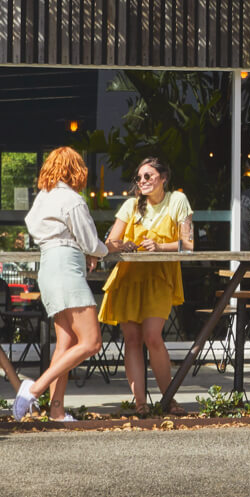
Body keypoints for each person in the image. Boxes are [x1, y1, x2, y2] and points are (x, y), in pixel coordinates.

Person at [11, 147, 110, 421]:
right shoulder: (72, 200)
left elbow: (46, 230)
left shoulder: (43, 198)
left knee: (66, 343)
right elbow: (90, 242)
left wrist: (86, 248)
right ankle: (34, 389)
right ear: (76, 170)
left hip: (48, 266)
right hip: (67, 267)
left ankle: (56, 411)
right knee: (91, 342)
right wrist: (102, 250)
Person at [99, 157, 192, 413]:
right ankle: (140, 403)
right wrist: (123, 244)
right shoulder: (131, 205)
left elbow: (188, 244)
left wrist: (160, 246)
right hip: (129, 277)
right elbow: (109, 244)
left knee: (152, 337)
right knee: (132, 339)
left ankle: (168, 399)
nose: (142, 181)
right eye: (139, 178)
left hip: (159, 277)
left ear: (164, 178)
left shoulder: (177, 200)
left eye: (148, 176)